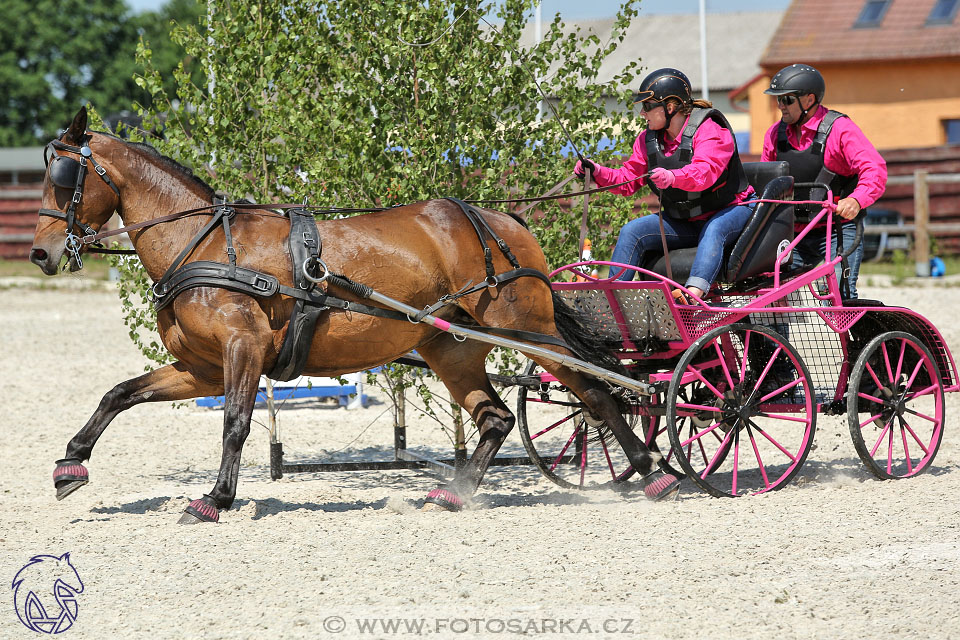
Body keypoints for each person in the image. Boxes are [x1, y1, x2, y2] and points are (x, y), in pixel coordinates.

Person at [574, 68, 755, 303]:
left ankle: (693, 296)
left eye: (648, 106)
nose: (642, 113)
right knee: (633, 231)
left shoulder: (711, 131)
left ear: (670, 107)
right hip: (687, 220)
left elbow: (706, 172)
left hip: (731, 210)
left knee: (714, 229)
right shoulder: (648, 140)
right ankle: (611, 305)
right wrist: (596, 172)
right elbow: (627, 179)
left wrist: (672, 177)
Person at [761, 63, 887, 299]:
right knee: (771, 296)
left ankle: (854, 333)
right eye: (777, 100)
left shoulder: (840, 129)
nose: (780, 106)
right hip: (792, 233)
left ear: (809, 100)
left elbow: (875, 169)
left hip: (837, 228)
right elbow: (764, 184)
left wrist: (856, 201)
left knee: (839, 292)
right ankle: (772, 337)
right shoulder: (773, 135)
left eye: (786, 99)